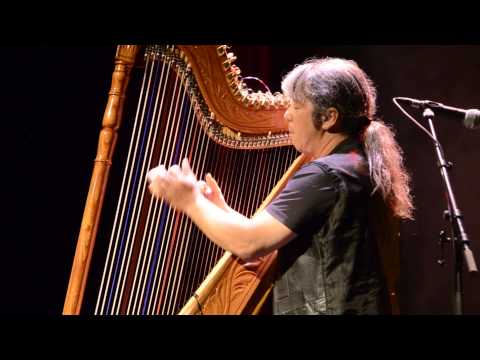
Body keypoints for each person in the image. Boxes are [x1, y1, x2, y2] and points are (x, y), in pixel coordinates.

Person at [147, 57, 414, 315]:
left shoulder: (324, 175)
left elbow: (249, 243)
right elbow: (274, 239)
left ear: (329, 117)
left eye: (296, 106)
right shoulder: (356, 164)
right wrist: (219, 209)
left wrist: (189, 201)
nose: (286, 115)